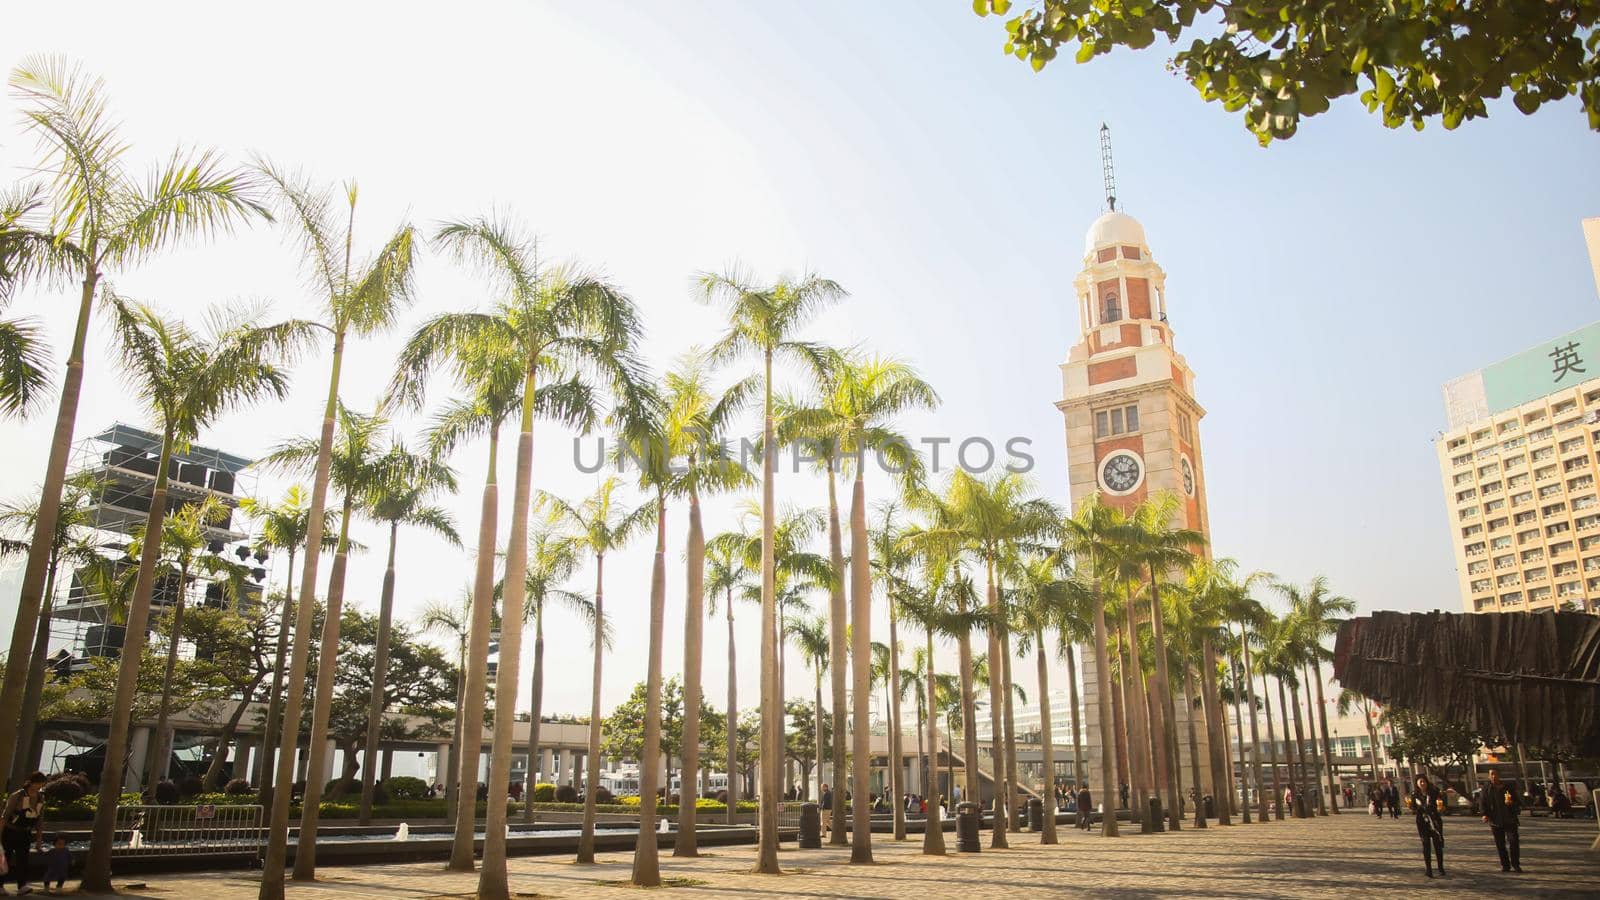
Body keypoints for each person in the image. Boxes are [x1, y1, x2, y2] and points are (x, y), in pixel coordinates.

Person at [3, 771, 47, 896]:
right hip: (11, 830)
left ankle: (22, 885)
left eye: (41, 784)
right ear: (31, 782)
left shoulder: (40, 797)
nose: (39, 787)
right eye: (38, 783)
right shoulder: (18, 795)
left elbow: (39, 819)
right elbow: (5, 815)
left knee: (23, 859)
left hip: (25, 832)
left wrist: (39, 839)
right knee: (5, 858)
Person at [1478, 769, 1522, 873]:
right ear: (1489, 776)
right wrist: (1484, 814)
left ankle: (1516, 864)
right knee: (1500, 844)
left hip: (1510, 819)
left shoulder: (1508, 787)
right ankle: (1505, 865)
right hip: (1495, 821)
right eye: (1491, 774)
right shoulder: (1486, 789)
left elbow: (1518, 801)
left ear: (1499, 775)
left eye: (1495, 774)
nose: (1494, 776)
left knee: (1513, 842)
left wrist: (1512, 803)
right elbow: (1482, 802)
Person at [1407, 774, 1446, 878]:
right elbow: (1414, 808)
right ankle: (1428, 869)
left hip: (1434, 820)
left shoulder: (1434, 791)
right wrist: (1411, 807)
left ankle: (1440, 868)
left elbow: (1441, 803)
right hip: (1422, 822)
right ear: (1416, 784)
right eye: (1420, 782)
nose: (1422, 783)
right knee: (1426, 845)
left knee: (1438, 845)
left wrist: (1440, 808)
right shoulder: (1415, 794)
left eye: (1424, 781)